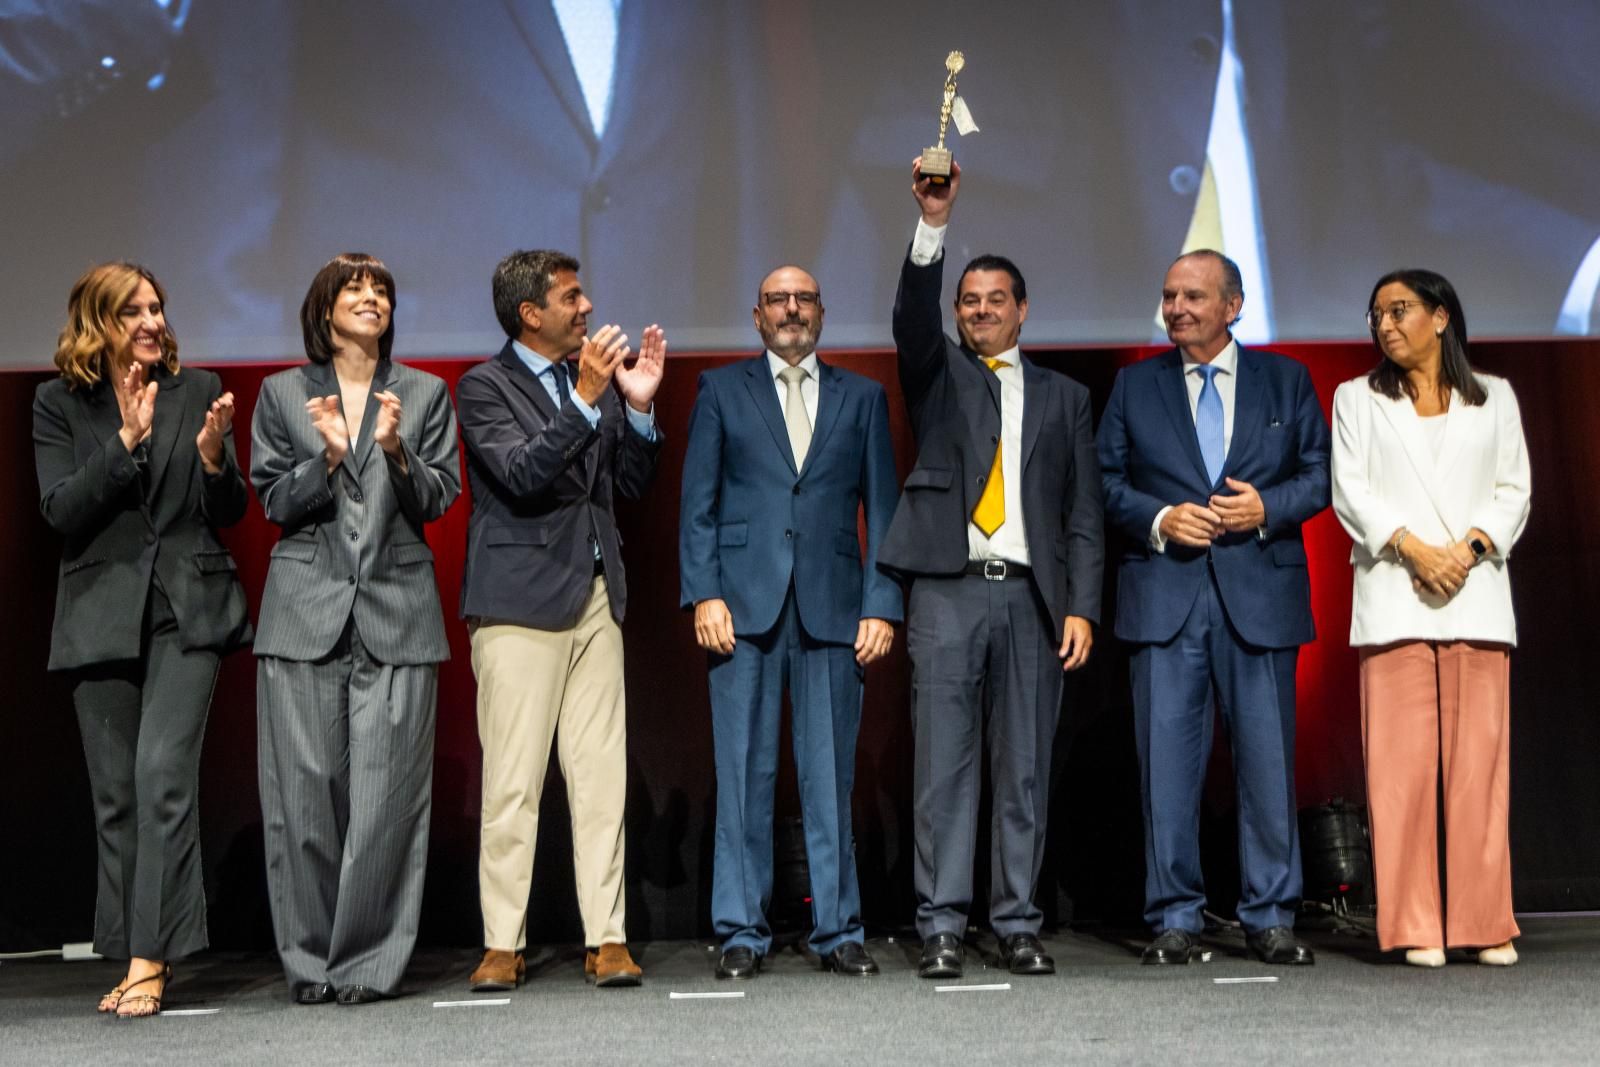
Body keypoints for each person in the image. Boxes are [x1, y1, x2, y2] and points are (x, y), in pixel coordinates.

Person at [875, 159, 1104, 979]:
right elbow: (911, 317)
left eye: (992, 301)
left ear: (1022, 311)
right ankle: (940, 923)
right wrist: (932, 226)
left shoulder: (1066, 398)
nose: (977, 312)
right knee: (943, 769)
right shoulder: (938, 376)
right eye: (967, 302)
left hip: (1033, 603)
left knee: (1024, 769)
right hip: (947, 592)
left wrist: (1080, 605)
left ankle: (1015, 921)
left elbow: (1081, 511)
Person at [1098, 247, 1330, 965]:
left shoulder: (1286, 380)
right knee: (1165, 767)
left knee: (1267, 764)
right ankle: (1174, 913)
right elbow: (1104, 482)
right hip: (1166, 596)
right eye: (1169, 296)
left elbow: (1320, 476)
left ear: (1233, 306)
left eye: (1193, 297)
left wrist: (1265, 508)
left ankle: (1270, 914)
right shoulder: (1134, 387)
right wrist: (1161, 519)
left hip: (1258, 592)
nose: (1176, 309)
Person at [32, 262, 251, 1017]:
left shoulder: (197, 389)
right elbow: (61, 508)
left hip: (188, 607)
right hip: (101, 609)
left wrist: (217, 457)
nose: (152, 320)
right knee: (117, 797)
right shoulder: (56, 403)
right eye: (133, 310)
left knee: (161, 773)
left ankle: (151, 958)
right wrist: (126, 439)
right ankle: (130, 951)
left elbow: (227, 506)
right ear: (98, 320)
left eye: (157, 306)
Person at [249, 253, 461, 1004]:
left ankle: (367, 965)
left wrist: (397, 451)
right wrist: (328, 461)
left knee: (385, 804)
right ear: (324, 308)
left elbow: (438, 497)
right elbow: (273, 497)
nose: (370, 298)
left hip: (397, 611)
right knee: (303, 800)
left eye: (381, 291)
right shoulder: (282, 393)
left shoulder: (426, 393)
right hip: (304, 611)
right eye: (354, 289)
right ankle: (310, 963)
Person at [679, 265, 902, 980]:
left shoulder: (863, 398)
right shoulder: (721, 389)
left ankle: (839, 929)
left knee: (827, 777)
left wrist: (882, 602)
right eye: (778, 299)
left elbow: (885, 512)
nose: (791, 310)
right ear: (756, 316)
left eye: (803, 299)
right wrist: (703, 593)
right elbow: (699, 506)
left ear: (822, 314)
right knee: (744, 771)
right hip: (741, 609)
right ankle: (742, 927)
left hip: (836, 608)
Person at [458, 250, 666, 991]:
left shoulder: (599, 382)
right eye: (572, 298)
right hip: (518, 604)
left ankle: (607, 936)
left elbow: (627, 489)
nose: (587, 309)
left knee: (601, 776)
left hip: (595, 598)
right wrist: (583, 399)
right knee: (513, 782)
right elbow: (520, 475)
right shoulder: (484, 386)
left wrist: (636, 407)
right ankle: (501, 942)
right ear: (529, 314)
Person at [1331, 269, 1531, 967]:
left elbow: (1514, 490)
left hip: (1475, 599)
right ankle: (1416, 922)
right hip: (1394, 597)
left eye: (1399, 310)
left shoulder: (1495, 398)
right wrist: (1417, 551)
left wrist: (1468, 550)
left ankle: (1484, 921)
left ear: (1441, 317)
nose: (1384, 325)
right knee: (1400, 775)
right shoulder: (1355, 399)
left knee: (1479, 771)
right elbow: (1350, 490)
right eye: (1375, 314)